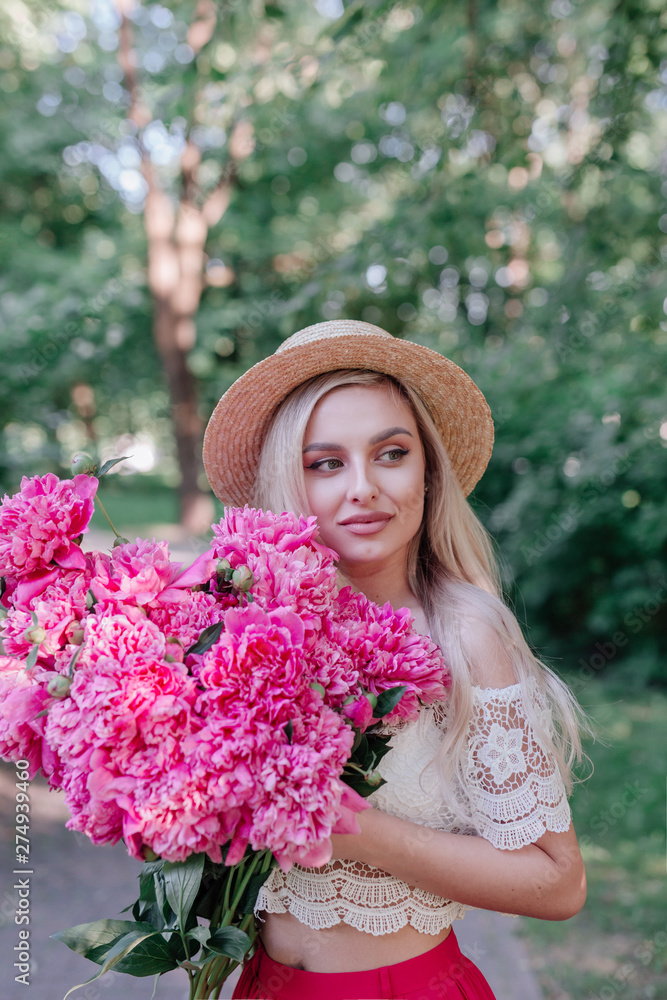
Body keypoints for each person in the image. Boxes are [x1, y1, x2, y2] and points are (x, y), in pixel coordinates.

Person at [203, 319, 588, 1000]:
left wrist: (359, 831)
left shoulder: (463, 633)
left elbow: (557, 883)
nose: (362, 488)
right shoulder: (238, 629)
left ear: (427, 469)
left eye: (390, 453)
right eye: (325, 463)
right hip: (258, 985)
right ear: (286, 481)